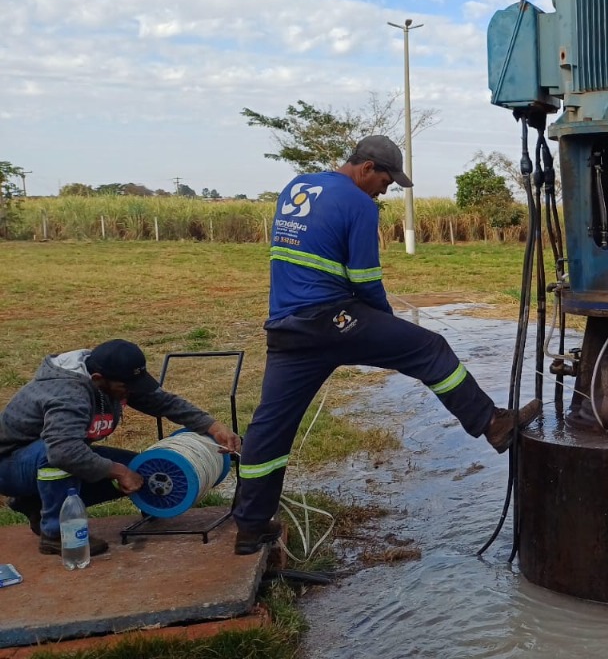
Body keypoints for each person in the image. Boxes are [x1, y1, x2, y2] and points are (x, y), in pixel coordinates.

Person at [234, 135, 540, 556]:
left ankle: (250, 527)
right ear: (366, 168)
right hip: (333, 320)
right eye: (386, 180)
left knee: (269, 428)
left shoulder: (296, 186)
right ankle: (492, 423)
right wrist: (386, 326)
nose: (386, 189)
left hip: (286, 329)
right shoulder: (360, 204)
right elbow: (364, 280)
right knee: (430, 349)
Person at [0, 339, 241, 557]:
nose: (131, 390)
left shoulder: (112, 381)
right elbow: (63, 451)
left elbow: (163, 402)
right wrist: (119, 471)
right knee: (59, 457)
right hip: (9, 465)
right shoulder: (67, 394)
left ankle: (35, 503)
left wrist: (212, 426)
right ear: (97, 379)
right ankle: (57, 534)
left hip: (44, 456)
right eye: (126, 386)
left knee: (140, 471)